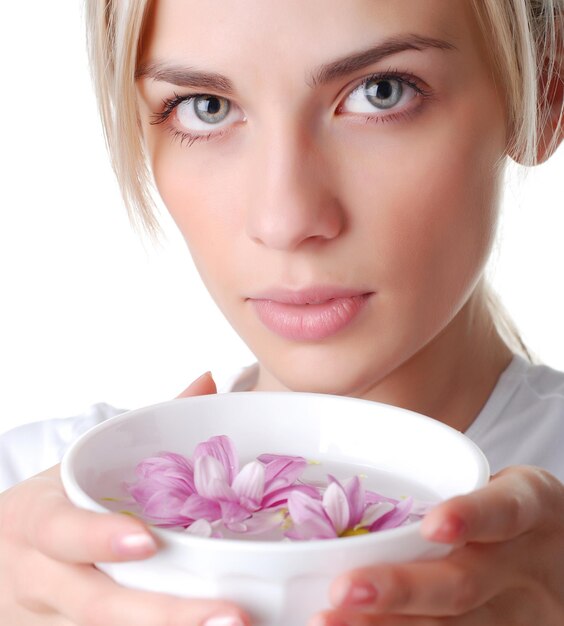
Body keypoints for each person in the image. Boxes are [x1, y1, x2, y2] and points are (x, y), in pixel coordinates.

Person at [1, 0, 563, 624]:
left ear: (544, 88)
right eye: (204, 106)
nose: (285, 220)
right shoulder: (26, 505)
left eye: (382, 92)